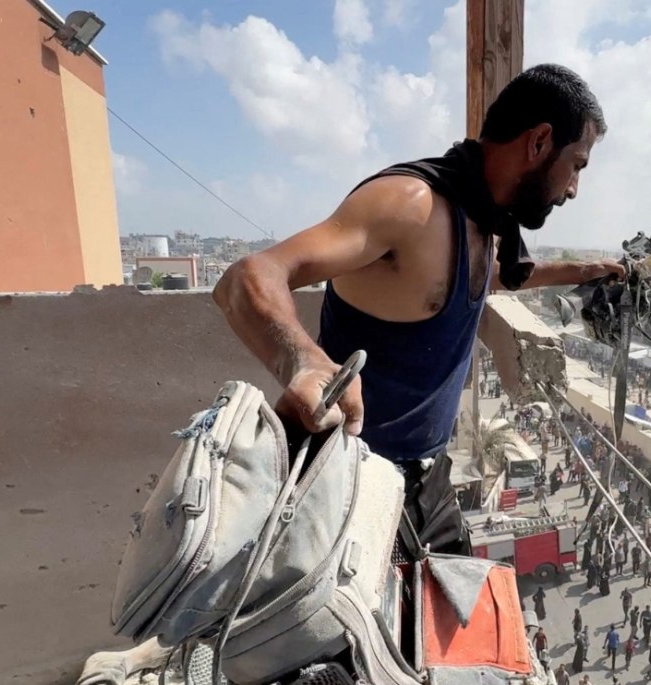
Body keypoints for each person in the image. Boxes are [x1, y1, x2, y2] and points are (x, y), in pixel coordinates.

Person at [214, 64, 618, 555]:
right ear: (539, 142)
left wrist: (579, 271)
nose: (573, 188)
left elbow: (472, 277)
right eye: (577, 165)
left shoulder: (483, 218)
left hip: (428, 480)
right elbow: (248, 277)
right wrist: (304, 361)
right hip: (343, 485)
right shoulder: (410, 205)